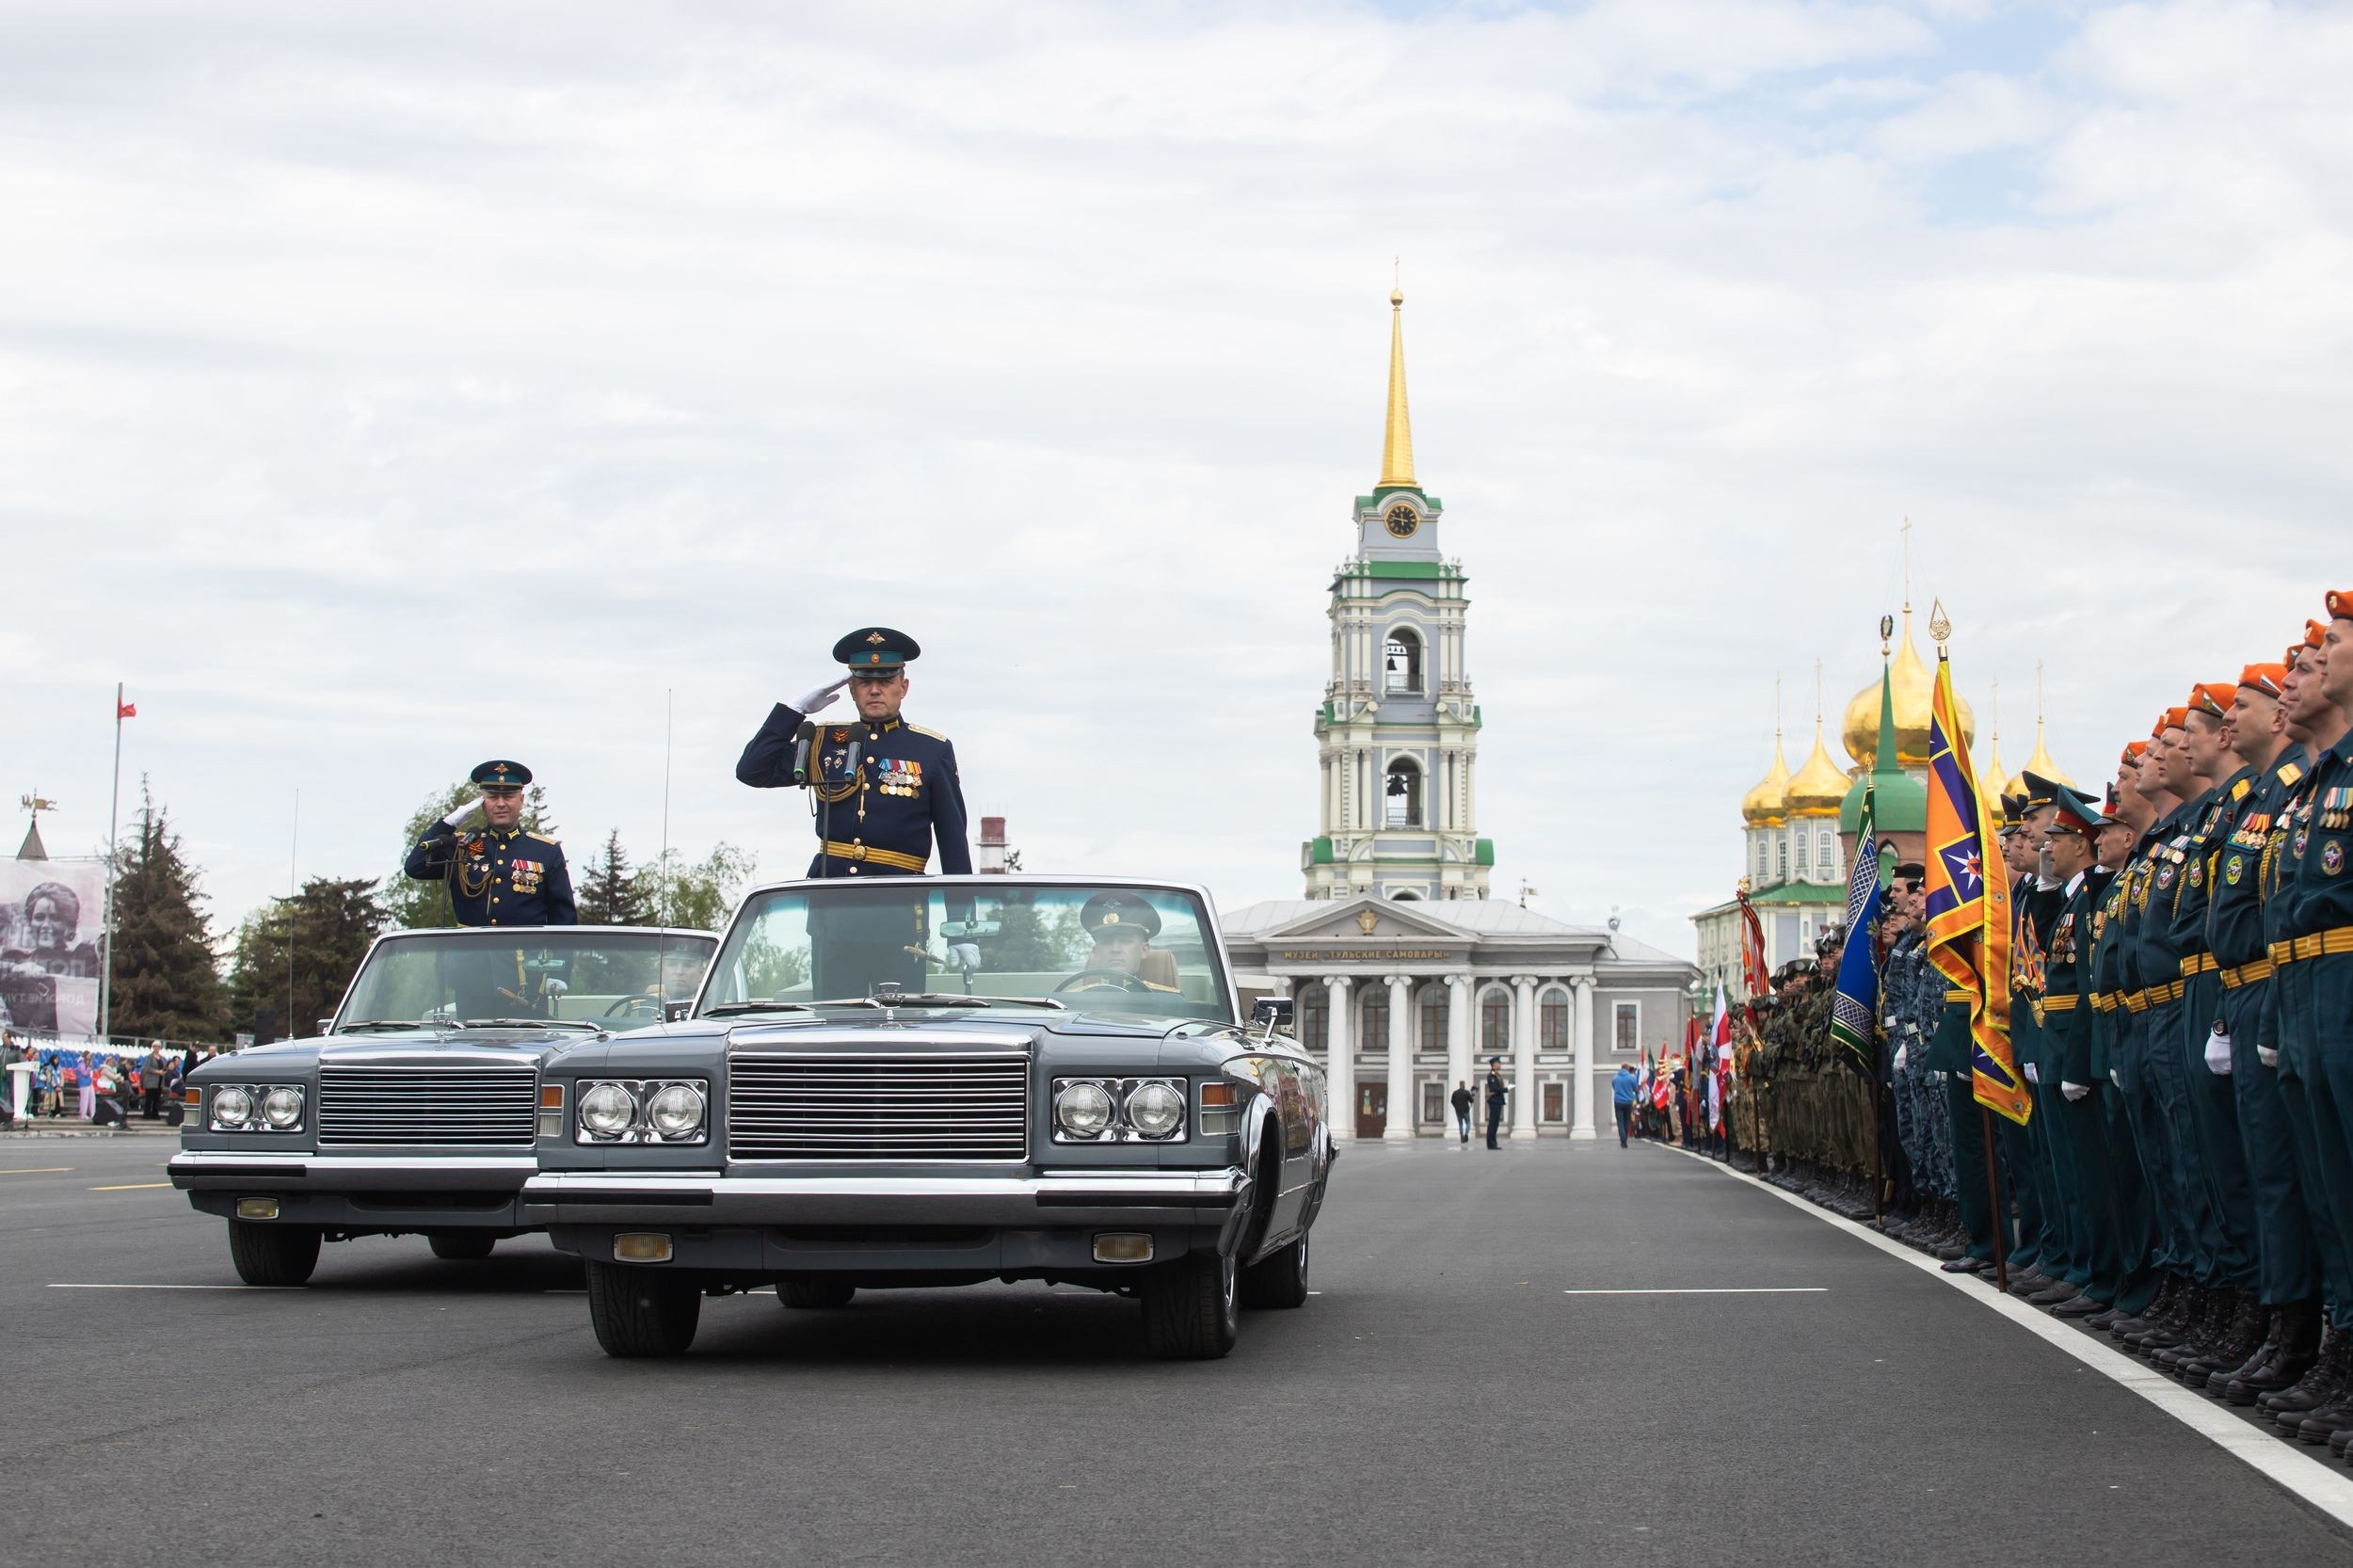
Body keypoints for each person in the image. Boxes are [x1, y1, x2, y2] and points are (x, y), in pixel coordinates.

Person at [736, 628, 972, 879]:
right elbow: (752, 771)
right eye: (864, 682)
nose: (874, 690)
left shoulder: (931, 750)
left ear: (903, 688)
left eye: (885, 681)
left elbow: (952, 840)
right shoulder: (823, 742)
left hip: (900, 896)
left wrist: (959, 915)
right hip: (830, 895)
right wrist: (794, 711)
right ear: (851, 690)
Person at [404, 760, 576, 927]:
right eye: (492, 797)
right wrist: (448, 824)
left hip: (524, 954)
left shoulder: (545, 850)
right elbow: (415, 867)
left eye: (508, 796)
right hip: (470, 953)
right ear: (482, 802)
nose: (501, 804)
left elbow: (563, 918)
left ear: (521, 800)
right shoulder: (461, 846)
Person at [1067, 892, 1178, 994]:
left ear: (1144, 950)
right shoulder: (1074, 1000)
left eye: (1126, 941)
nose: (1115, 949)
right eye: (1106, 942)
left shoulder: (1166, 1000)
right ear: (1095, 952)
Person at [1611, 1062, 1639, 1147]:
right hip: (1628, 1102)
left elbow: (1614, 1087)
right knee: (1627, 1121)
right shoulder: (1631, 1078)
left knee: (1620, 1121)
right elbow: (1636, 1089)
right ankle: (1625, 1138)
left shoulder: (1615, 1078)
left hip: (1618, 1102)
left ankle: (1623, 1140)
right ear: (1627, 1068)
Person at [1482, 1057, 1507, 1149]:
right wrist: (1506, 1089)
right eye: (1499, 1063)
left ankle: (1493, 1143)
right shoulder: (1492, 1075)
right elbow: (1494, 1088)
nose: (1500, 1065)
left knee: (1495, 1123)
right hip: (1494, 1101)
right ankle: (1491, 1144)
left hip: (1498, 1100)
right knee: (1492, 1123)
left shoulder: (1497, 1075)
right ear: (1494, 1064)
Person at [1449, 1080, 1473, 1144]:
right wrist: (1472, 1097)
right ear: (1464, 1085)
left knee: (1460, 1124)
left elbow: (1452, 1101)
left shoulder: (1455, 1093)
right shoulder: (1466, 1092)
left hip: (1458, 1111)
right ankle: (1466, 1134)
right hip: (1466, 1110)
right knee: (1468, 1123)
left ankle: (1462, 1137)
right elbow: (1471, 1101)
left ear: (1459, 1085)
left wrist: (1456, 1106)